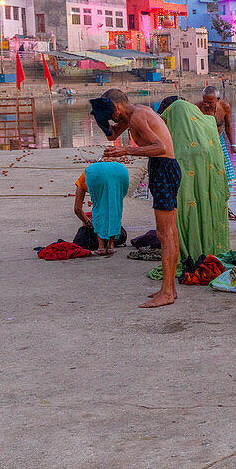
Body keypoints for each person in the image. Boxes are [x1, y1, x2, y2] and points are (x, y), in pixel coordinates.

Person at [95, 88, 180, 308]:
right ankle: (168, 288)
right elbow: (112, 135)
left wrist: (126, 152)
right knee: (169, 232)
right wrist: (100, 119)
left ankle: (168, 292)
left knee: (165, 234)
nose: (114, 120)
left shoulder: (138, 117)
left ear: (117, 106)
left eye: (111, 114)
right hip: (163, 168)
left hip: (164, 167)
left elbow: (160, 147)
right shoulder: (130, 116)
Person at [158, 97, 231, 263]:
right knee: (203, 208)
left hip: (185, 182)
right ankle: (207, 248)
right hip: (208, 183)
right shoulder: (206, 125)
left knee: (185, 212)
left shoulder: (179, 139)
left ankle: (188, 252)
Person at [73, 160, 130, 256]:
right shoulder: (115, 170)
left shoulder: (86, 176)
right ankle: (111, 246)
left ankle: (101, 247)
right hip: (121, 172)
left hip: (110, 172)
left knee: (98, 208)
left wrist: (88, 222)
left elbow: (77, 209)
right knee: (114, 207)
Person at [196, 85, 236, 186]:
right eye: (204, 101)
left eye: (210, 102)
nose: (206, 105)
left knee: (226, 175)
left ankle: (224, 200)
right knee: (206, 176)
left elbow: (228, 126)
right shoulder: (197, 107)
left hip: (219, 141)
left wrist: (232, 145)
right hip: (203, 143)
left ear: (217, 99)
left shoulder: (225, 107)